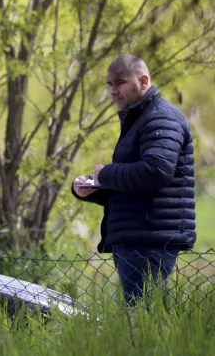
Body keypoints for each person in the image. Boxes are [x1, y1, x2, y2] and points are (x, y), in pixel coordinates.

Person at [72, 55, 196, 305]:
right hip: (139, 234)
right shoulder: (139, 118)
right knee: (141, 315)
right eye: (109, 84)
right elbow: (138, 181)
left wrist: (105, 174)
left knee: (146, 315)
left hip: (149, 238)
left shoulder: (161, 118)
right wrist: (93, 188)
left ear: (143, 80)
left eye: (119, 82)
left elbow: (155, 171)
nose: (113, 91)